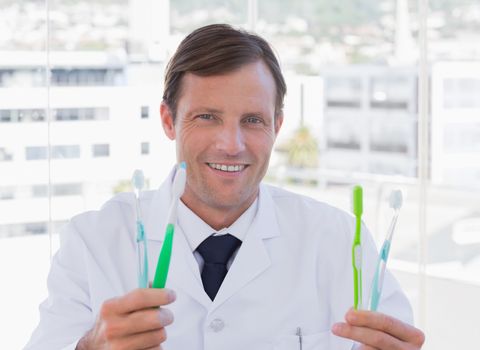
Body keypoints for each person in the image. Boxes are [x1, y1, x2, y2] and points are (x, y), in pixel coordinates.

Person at [25, 24, 425, 350]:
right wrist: (89, 348)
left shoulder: (340, 242)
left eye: (252, 120)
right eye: (207, 117)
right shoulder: (92, 240)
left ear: (277, 126)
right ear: (168, 120)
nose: (231, 145)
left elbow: (392, 337)